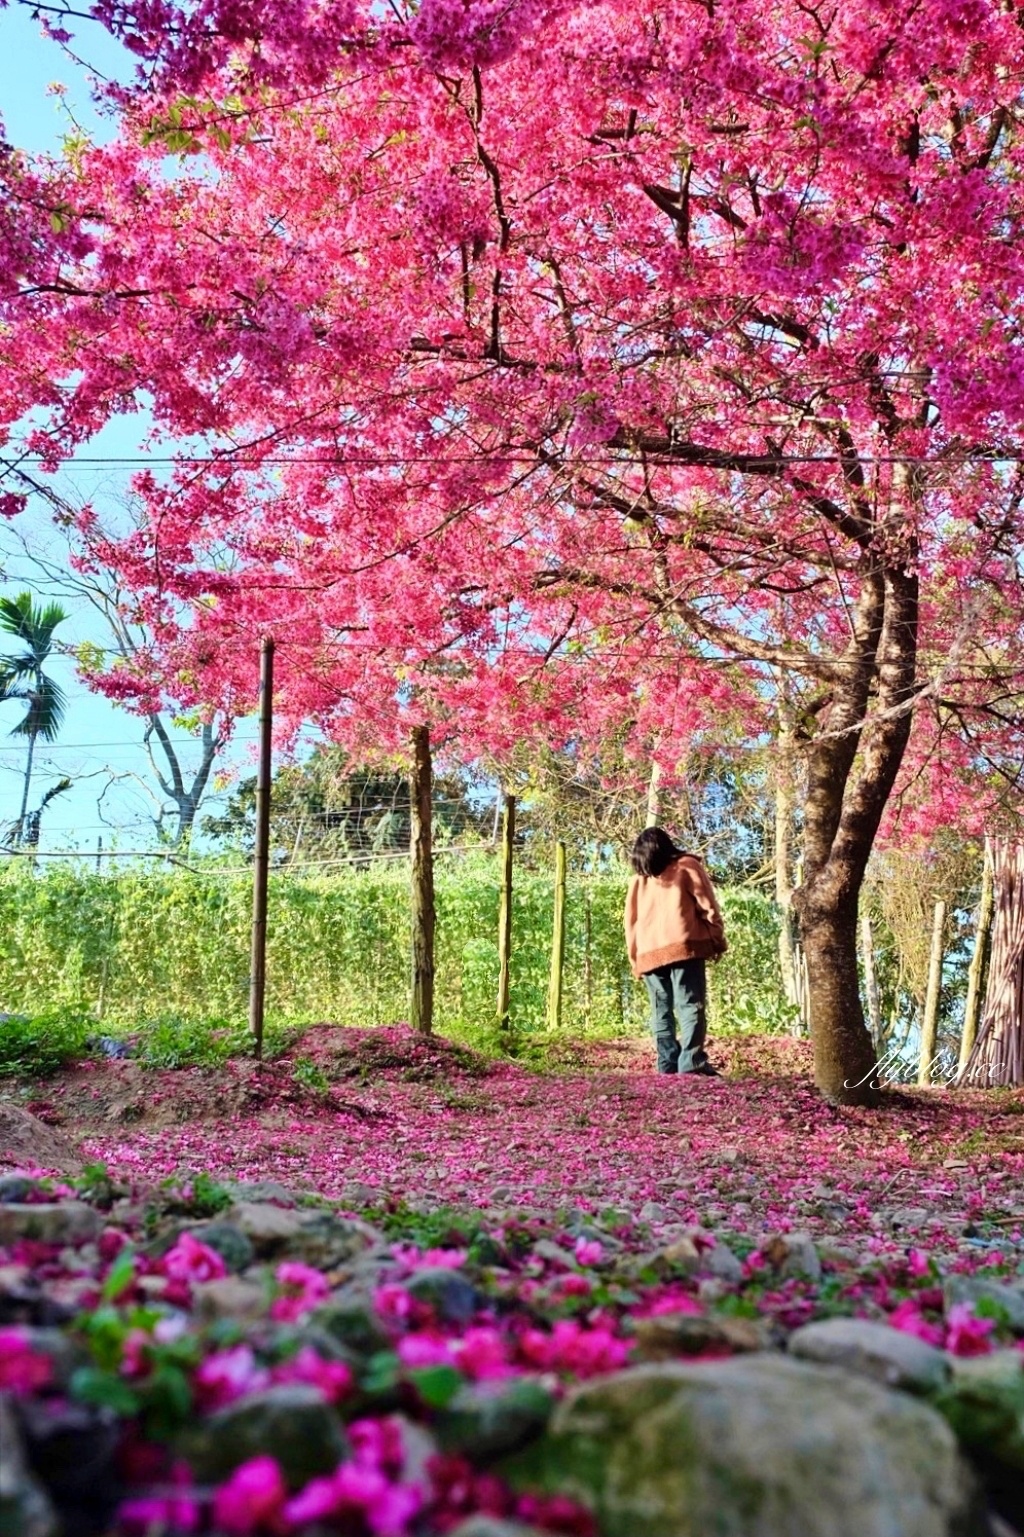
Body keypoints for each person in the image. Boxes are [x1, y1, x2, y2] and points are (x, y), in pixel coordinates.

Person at [624, 826, 728, 1076]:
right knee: (690, 1005)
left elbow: (631, 923)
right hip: (684, 949)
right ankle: (691, 1064)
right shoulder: (687, 866)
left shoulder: (639, 880)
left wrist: (635, 959)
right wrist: (716, 939)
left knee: (661, 1011)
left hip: (649, 954)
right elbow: (708, 906)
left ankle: (667, 1066)